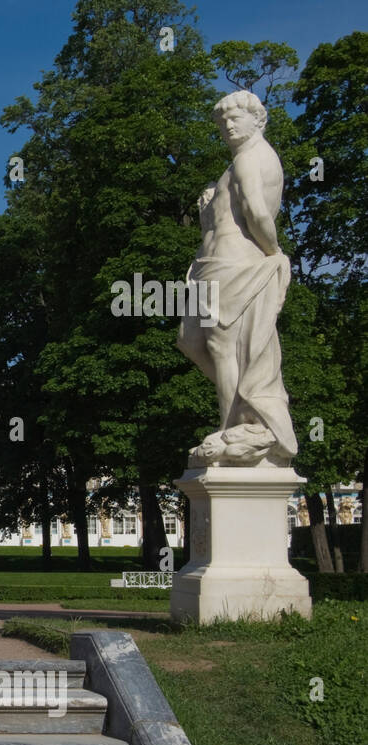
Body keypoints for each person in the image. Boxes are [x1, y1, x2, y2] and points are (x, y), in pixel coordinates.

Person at [177, 90, 297, 467]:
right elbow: (232, 216)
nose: (227, 125)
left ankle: (233, 426)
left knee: (220, 347)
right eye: (222, 121)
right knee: (190, 340)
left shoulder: (250, 158)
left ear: (258, 119)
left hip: (232, 265)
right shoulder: (239, 163)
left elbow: (258, 214)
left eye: (235, 118)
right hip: (212, 263)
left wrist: (274, 253)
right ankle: (243, 410)